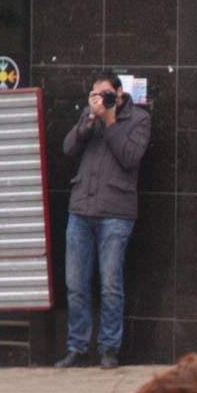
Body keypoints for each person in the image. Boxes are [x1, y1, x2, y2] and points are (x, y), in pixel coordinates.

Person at [55, 71, 151, 369]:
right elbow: (68, 148)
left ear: (120, 94)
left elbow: (130, 157)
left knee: (111, 284)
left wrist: (109, 120)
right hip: (81, 208)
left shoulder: (138, 119)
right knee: (75, 283)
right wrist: (90, 121)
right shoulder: (89, 115)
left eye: (107, 95)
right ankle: (77, 347)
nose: (102, 101)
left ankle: (109, 348)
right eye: (96, 95)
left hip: (116, 212)